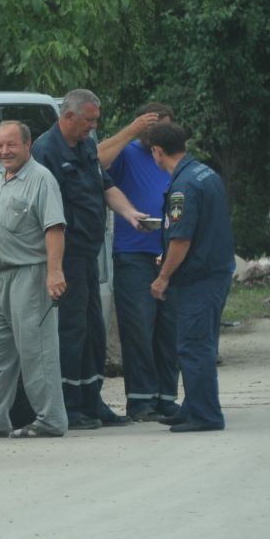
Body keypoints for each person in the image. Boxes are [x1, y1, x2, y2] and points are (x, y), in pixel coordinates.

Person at [33, 89, 156, 429]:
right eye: (89, 121)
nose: (93, 127)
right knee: (71, 330)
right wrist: (54, 267)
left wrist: (131, 213)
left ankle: (92, 399)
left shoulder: (86, 145)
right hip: (66, 253)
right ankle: (69, 405)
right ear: (68, 117)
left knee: (93, 330)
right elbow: (50, 215)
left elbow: (106, 185)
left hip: (89, 252)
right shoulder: (46, 151)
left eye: (95, 121)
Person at [0, 121, 69, 438]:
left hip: (30, 275)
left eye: (11, 145)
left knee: (36, 352)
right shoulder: (0, 178)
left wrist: (54, 272)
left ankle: (51, 420)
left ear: (28, 145)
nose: (4, 152)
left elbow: (54, 228)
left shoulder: (41, 179)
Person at [146, 122, 235, 433]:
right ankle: (192, 406)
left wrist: (162, 276)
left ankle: (205, 415)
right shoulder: (204, 173)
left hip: (199, 277)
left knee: (193, 346)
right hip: (213, 269)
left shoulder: (183, 186)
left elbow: (181, 240)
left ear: (157, 151)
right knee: (199, 343)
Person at [99, 102, 182, 421]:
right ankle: (141, 401)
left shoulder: (171, 155)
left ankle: (166, 397)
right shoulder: (128, 150)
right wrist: (131, 130)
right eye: (154, 127)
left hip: (171, 253)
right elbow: (96, 161)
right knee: (139, 328)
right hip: (134, 252)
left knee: (167, 328)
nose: (159, 135)